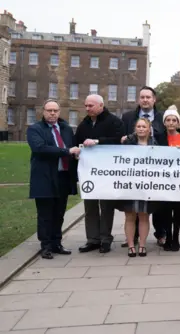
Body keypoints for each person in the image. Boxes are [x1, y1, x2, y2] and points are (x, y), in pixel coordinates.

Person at [27, 100, 81, 259]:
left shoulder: (65, 129)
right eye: (49, 110)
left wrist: (75, 154)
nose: (52, 113)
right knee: (45, 213)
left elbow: (72, 148)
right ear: (43, 111)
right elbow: (40, 148)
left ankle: (57, 243)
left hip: (63, 176)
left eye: (55, 110)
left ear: (59, 112)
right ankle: (45, 246)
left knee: (59, 212)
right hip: (44, 177)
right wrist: (66, 151)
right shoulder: (34, 129)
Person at [74, 94, 126, 254]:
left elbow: (119, 142)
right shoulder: (84, 124)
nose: (87, 108)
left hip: (107, 172)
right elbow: (77, 141)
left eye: (91, 105)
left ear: (101, 105)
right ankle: (92, 239)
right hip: (89, 172)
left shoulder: (114, 122)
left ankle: (105, 239)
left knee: (106, 206)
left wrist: (98, 142)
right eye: (86, 106)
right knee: (90, 206)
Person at [120, 86, 167, 249]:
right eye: (142, 97)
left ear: (154, 99)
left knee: (155, 207)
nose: (145, 100)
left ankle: (160, 233)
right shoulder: (127, 118)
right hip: (133, 172)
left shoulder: (163, 118)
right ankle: (133, 238)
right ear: (138, 99)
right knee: (134, 208)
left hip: (156, 171)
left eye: (148, 97)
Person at [121, 118, 158, 257]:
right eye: (139, 126)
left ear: (149, 129)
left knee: (144, 215)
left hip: (147, 185)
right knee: (130, 215)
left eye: (144, 126)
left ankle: (142, 245)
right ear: (135, 128)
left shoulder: (155, 144)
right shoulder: (127, 142)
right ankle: (131, 245)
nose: (141, 129)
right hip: (130, 184)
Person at [162, 105, 180, 251]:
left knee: (177, 210)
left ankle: (176, 238)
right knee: (166, 211)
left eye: (174, 120)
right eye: (168, 120)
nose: (171, 122)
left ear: (178, 122)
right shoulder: (160, 138)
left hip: (179, 180)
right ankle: (168, 237)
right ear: (164, 122)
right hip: (164, 180)